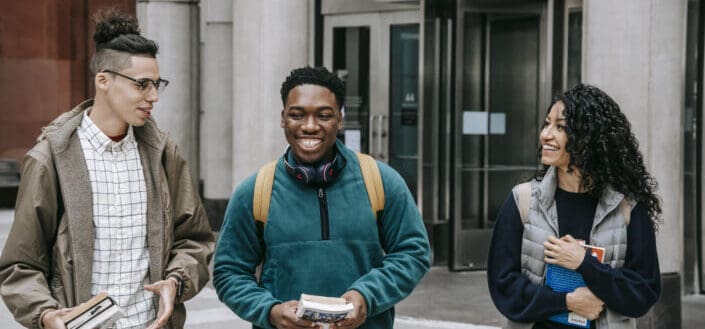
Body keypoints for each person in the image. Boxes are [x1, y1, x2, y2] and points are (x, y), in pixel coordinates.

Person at [0, 10, 214, 329]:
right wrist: (46, 315)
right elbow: (21, 265)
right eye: (142, 85)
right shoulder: (50, 159)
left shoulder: (163, 153)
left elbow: (194, 240)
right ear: (104, 80)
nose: (153, 97)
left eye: (157, 85)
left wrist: (175, 282)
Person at [213, 66, 431, 329]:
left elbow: (413, 252)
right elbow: (229, 273)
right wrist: (270, 311)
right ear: (283, 118)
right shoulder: (255, 191)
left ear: (339, 120)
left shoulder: (381, 181)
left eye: (324, 115)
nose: (309, 126)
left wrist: (366, 296)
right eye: (297, 115)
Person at [487, 84, 661, 329]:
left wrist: (584, 263)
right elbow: (503, 286)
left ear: (588, 136)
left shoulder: (628, 208)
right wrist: (566, 302)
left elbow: (643, 291)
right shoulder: (523, 200)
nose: (546, 134)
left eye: (560, 127)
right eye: (547, 123)